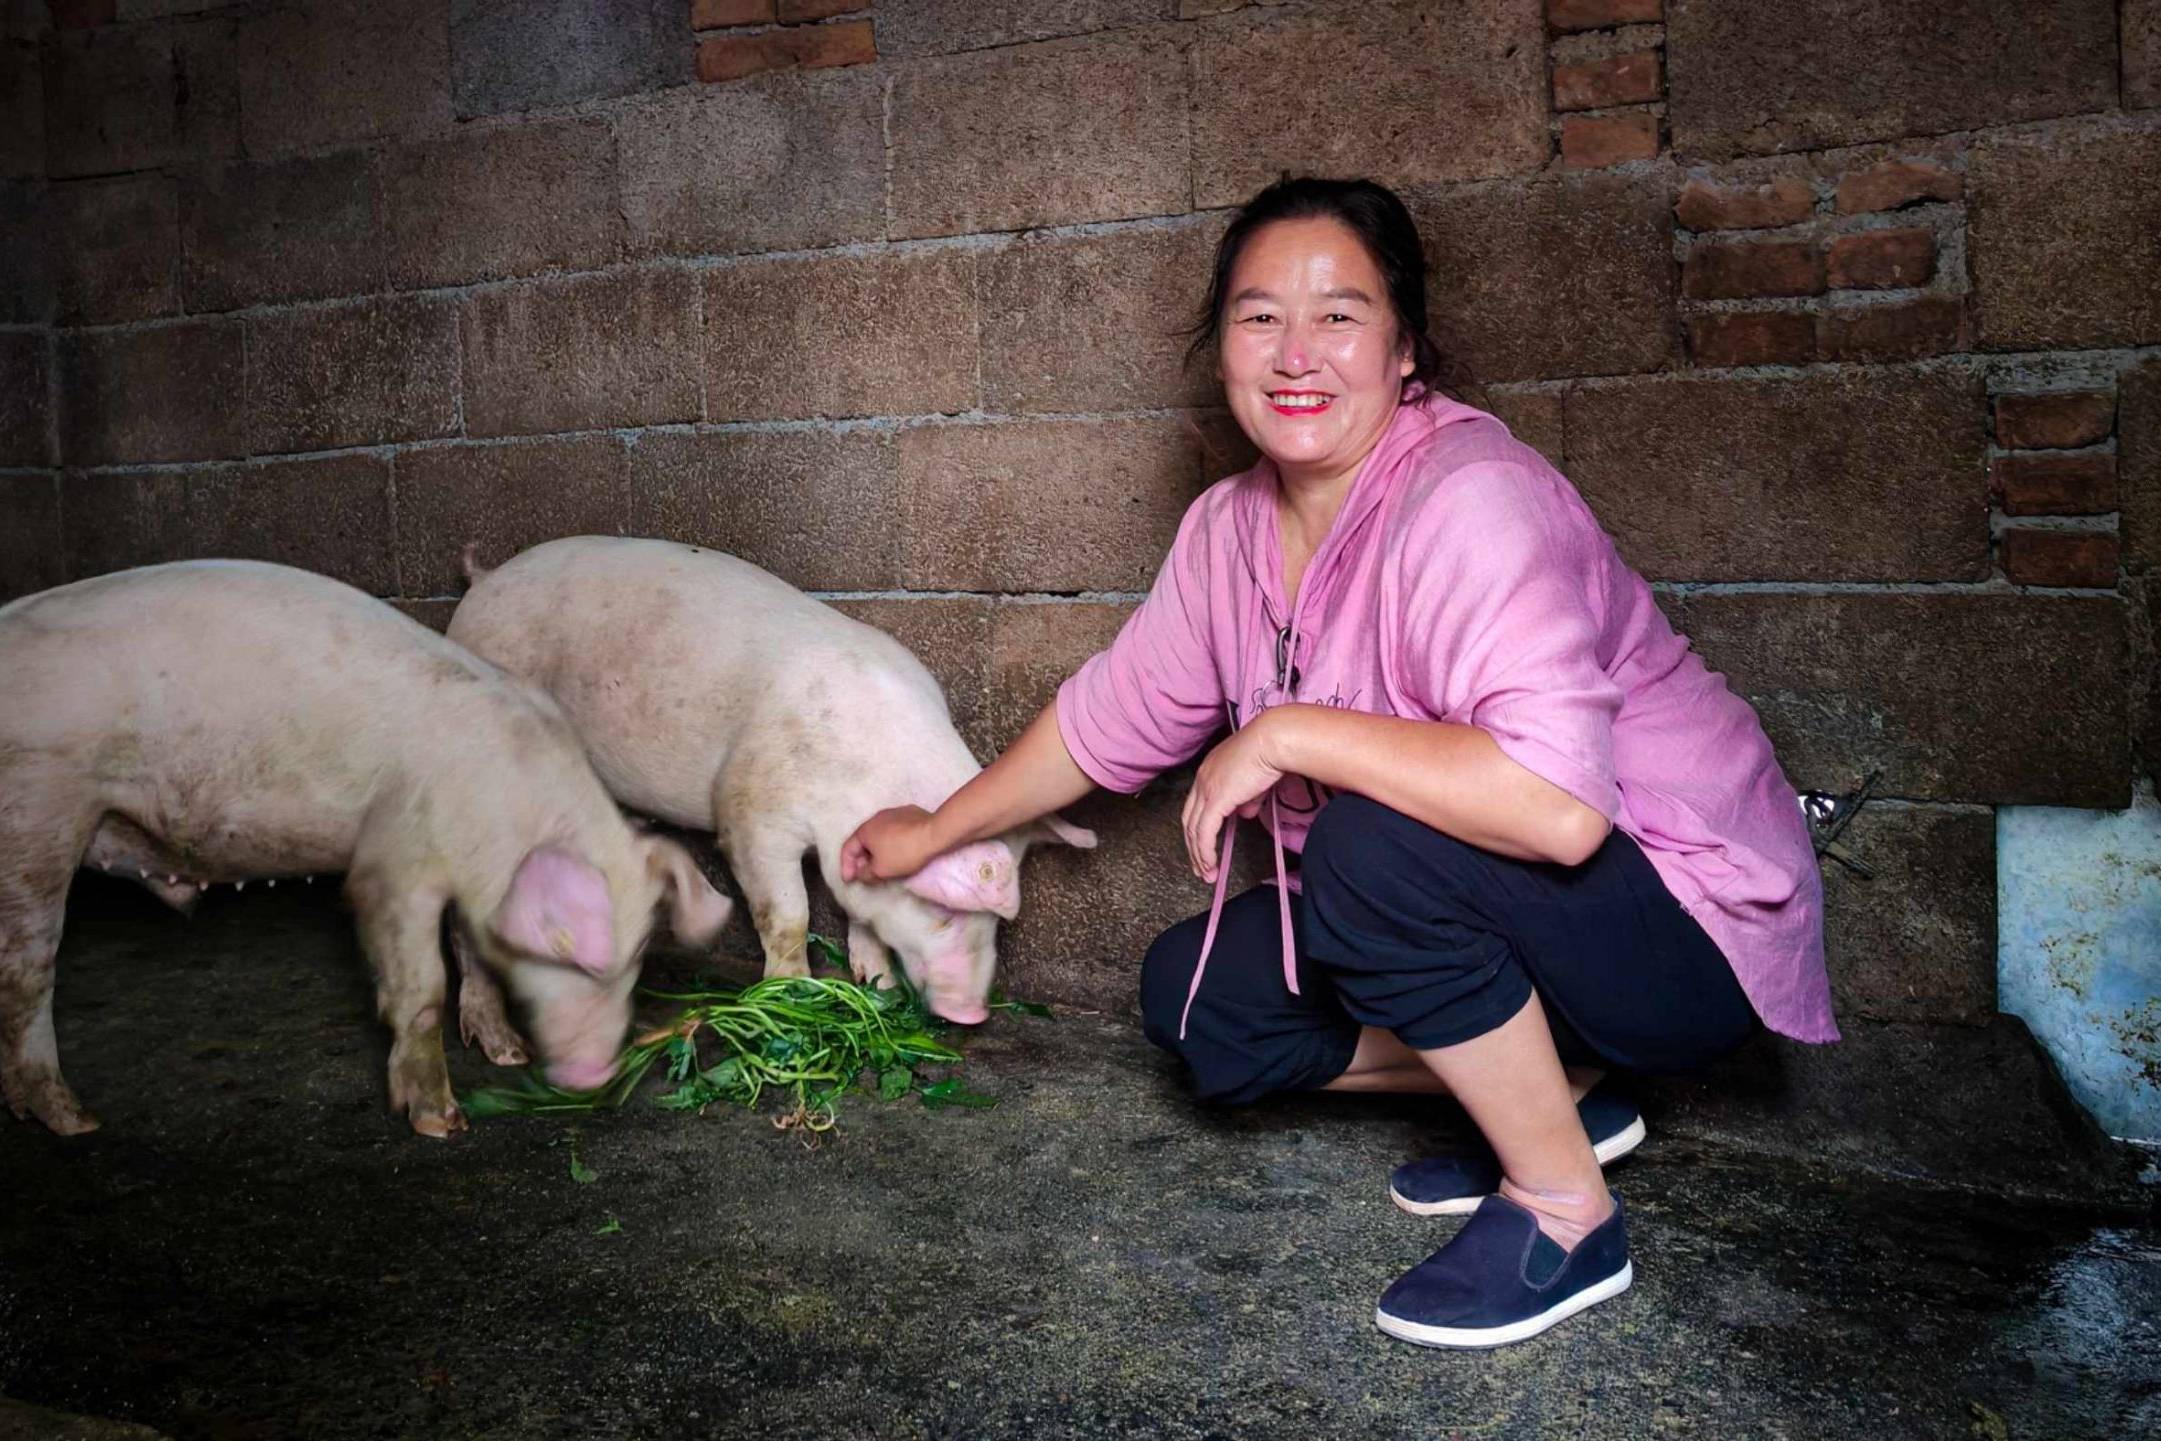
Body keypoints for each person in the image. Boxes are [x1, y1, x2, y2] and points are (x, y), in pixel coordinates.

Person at [841, 176, 1836, 1350]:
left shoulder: (1473, 499)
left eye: (1340, 315)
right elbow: (1109, 716)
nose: (1295, 353)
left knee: (1369, 843)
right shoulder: (1226, 529)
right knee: (1201, 1005)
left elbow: (1559, 812)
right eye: (1260, 316)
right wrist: (933, 830)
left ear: (1405, 348)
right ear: (1218, 347)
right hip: (1518, 930)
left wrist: (1288, 731)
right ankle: (1558, 1090)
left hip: (1676, 924)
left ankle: (1566, 1211)